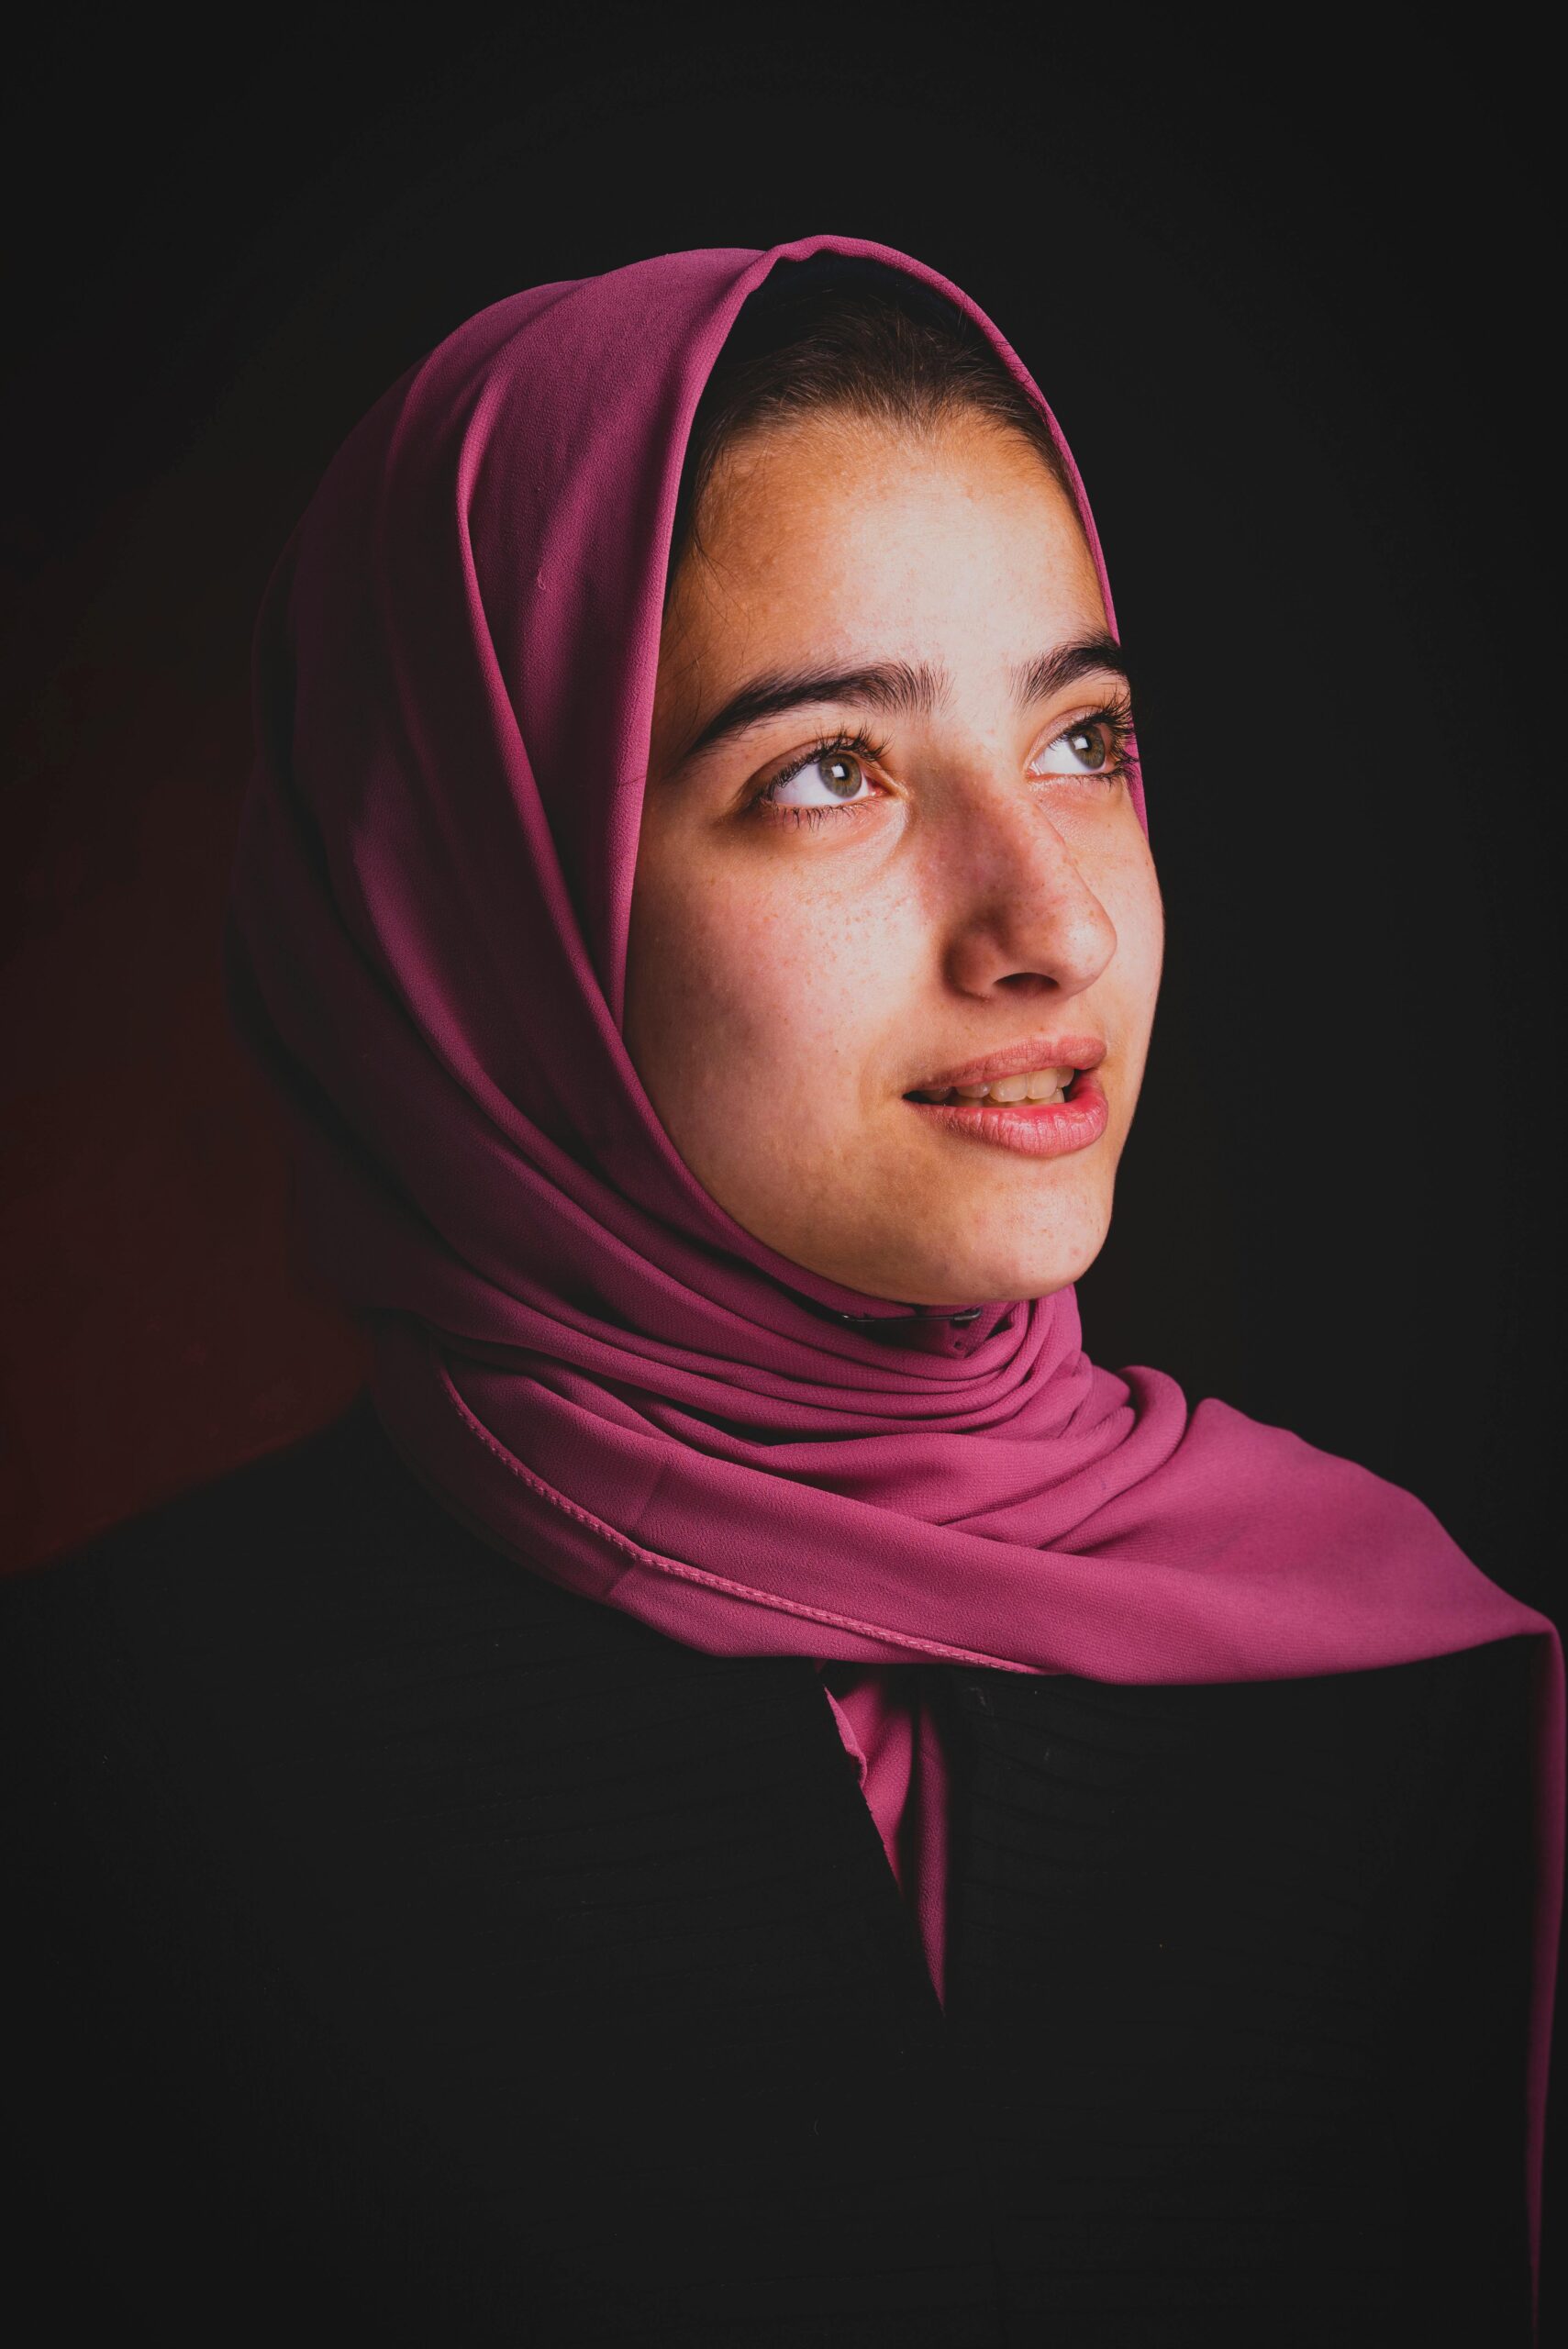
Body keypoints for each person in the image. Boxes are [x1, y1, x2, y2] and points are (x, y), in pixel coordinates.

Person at [2, 233, 1560, 2347]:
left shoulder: (1413, 1683)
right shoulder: (104, 1788)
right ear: (482, 899)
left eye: (1085, 736)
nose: (1054, 927)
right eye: (832, 767)